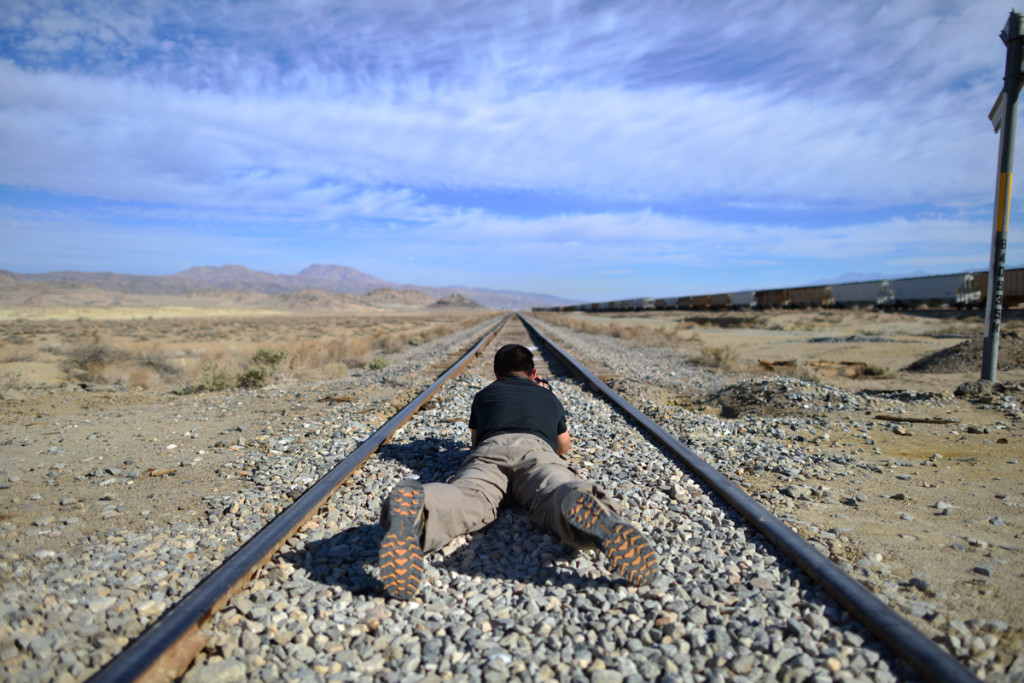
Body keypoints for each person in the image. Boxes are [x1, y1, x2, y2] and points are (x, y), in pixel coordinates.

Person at [378, 343, 658, 600]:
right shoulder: (548, 397)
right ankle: (588, 505)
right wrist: (547, 400)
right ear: (533, 373)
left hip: (489, 452)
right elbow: (563, 447)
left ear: (496, 374)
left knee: (467, 496)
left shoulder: (484, 394)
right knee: (554, 488)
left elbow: (474, 442)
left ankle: (424, 509)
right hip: (536, 452)